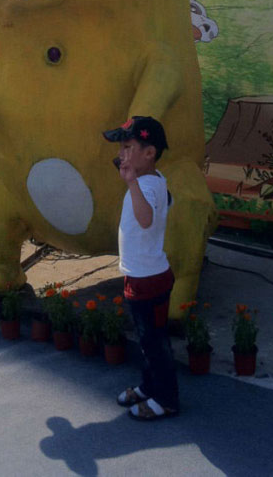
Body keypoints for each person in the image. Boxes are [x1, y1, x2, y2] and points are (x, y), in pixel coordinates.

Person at [103, 115, 179, 421]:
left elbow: (146, 220)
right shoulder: (154, 180)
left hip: (150, 280)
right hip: (142, 276)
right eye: (120, 148)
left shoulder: (145, 185)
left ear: (149, 153)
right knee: (148, 342)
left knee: (155, 345)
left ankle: (167, 399)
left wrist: (132, 183)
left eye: (128, 147)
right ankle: (149, 387)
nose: (121, 154)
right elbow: (165, 203)